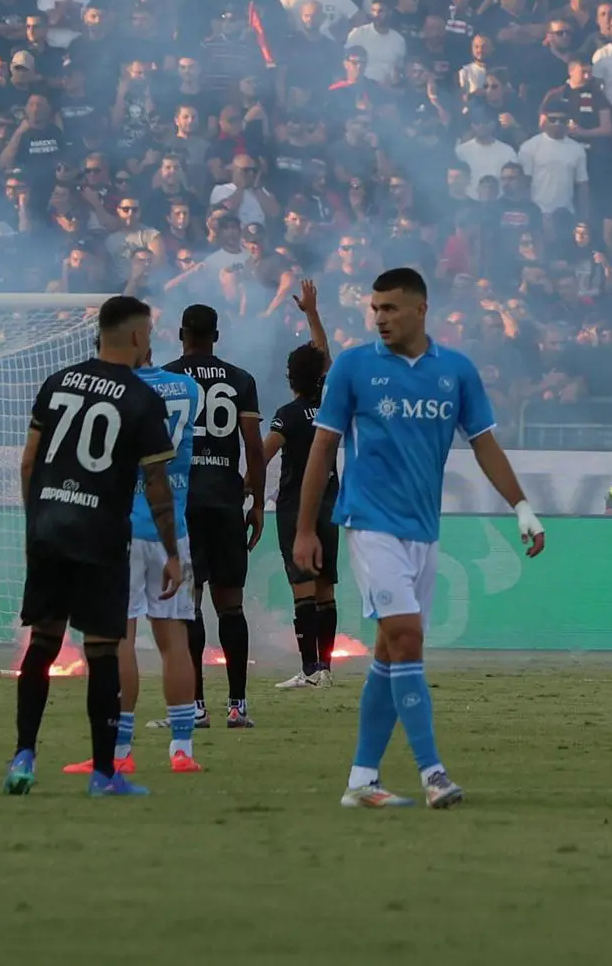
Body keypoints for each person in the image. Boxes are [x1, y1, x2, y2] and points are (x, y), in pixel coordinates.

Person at [294, 267, 545, 809]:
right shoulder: (354, 368)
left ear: (420, 310)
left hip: (424, 532)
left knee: (391, 653)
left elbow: (484, 444)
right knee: (407, 638)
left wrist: (521, 506)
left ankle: (362, 781)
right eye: (374, 308)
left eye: (389, 308)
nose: (379, 317)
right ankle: (433, 773)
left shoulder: (454, 371)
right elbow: (321, 450)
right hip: (369, 524)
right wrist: (305, 527)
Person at [6, 295, 180, 798]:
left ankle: (23, 757)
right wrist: (172, 552)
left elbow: (28, 463)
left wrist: (34, 526)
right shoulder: (142, 399)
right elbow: (156, 484)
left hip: (50, 527)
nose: (149, 343)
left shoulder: (57, 382)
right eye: (147, 334)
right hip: (99, 533)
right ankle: (105, 774)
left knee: (43, 643)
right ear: (133, 336)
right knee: (103, 649)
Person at [62, 348, 202, 776]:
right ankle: (182, 749)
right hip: (171, 528)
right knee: (174, 638)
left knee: (120, 637)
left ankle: (120, 752)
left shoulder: (114, 392)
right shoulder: (189, 388)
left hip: (120, 525)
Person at [164, 304, 265, 728]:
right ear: (217, 337)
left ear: (180, 333)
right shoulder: (241, 380)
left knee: (190, 605)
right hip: (225, 500)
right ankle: (238, 706)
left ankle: (196, 708)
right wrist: (257, 501)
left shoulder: (166, 380)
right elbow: (255, 448)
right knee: (231, 606)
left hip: (183, 501)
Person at [262, 281, 337, 689]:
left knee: (303, 589)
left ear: (290, 377)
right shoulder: (329, 405)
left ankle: (309, 670)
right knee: (326, 589)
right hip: (330, 501)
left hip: (295, 507)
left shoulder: (288, 415)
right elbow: (323, 355)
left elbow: (264, 453)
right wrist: (311, 313)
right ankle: (324, 669)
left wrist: (245, 484)